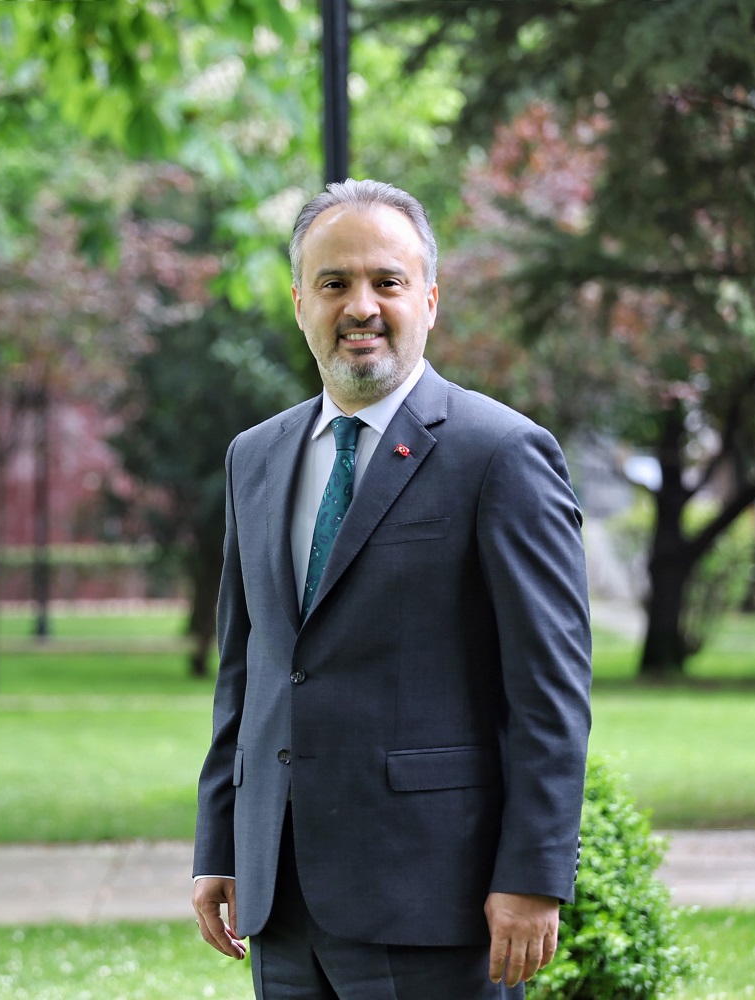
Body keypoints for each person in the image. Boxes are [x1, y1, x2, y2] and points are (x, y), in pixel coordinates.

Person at [191, 179, 593, 999]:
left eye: (387, 281)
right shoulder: (253, 458)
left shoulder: (500, 454)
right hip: (280, 896)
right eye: (334, 283)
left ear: (429, 301)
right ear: (299, 302)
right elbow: (247, 671)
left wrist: (533, 874)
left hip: (434, 895)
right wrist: (220, 843)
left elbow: (550, 691)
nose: (360, 307)